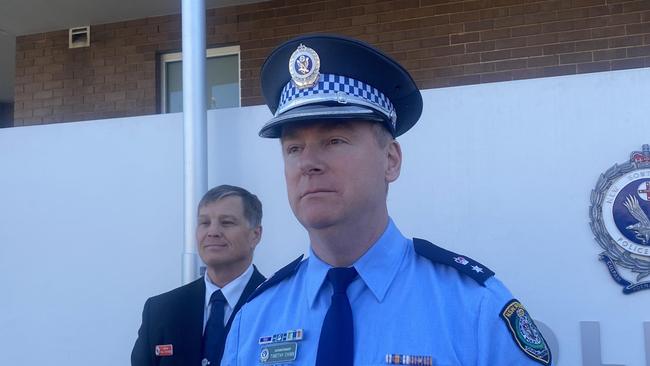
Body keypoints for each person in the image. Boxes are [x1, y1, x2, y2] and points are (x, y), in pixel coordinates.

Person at [221, 35, 553, 366]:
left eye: (334, 140)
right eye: (294, 148)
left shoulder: (474, 308)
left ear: (390, 160)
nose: (308, 163)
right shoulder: (255, 318)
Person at [132, 185, 266, 366]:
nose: (212, 232)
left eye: (226, 222)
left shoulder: (277, 303)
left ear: (255, 235)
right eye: (204, 223)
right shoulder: (161, 311)